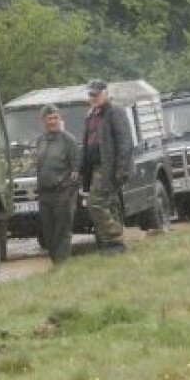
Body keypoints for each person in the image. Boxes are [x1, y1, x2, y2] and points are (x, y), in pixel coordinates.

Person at [80, 80, 133, 255]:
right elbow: (87, 143)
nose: (93, 98)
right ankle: (116, 245)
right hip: (94, 167)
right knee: (111, 204)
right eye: (91, 95)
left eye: (96, 94)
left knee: (95, 204)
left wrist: (121, 169)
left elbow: (125, 142)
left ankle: (114, 239)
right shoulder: (90, 115)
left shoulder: (115, 112)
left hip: (108, 167)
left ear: (105, 93)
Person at [35, 104, 80, 264]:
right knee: (48, 232)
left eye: (55, 118)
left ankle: (62, 265)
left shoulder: (68, 140)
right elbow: (39, 166)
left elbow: (76, 169)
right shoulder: (40, 140)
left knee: (62, 231)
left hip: (63, 193)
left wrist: (69, 193)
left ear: (60, 119)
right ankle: (55, 262)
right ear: (43, 121)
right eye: (49, 119)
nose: (52, 122)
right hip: (45, 193)